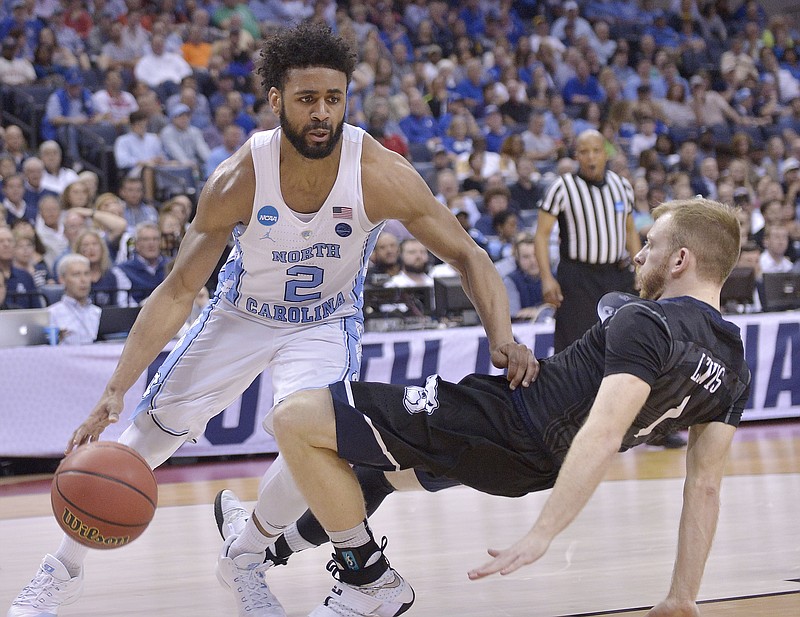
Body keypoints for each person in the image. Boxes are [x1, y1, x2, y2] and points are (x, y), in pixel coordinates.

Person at [7, 23, 535, 617]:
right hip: (241, 314)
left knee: (308, 439)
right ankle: (62, 571)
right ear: (277, 100)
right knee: (147, 437)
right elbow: (179, 289)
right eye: (307, 99)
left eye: (333, 99)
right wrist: (113, 390)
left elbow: (468, 253)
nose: (322, 113)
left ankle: (245, 556)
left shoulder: (378, 172)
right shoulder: (238, 178)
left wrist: (503, 337)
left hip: (324, 322)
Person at [261, 197, 751, 617]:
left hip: (500, 421)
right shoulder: (734, 364)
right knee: (380, 476)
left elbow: (602, 433)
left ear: (681, 258)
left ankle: (369, 583)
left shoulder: (645, 319)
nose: (639, 256)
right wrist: (683, 596)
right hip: (530, 469)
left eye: (651, 246)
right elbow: (705, 487)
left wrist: (542, 535)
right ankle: (266, 549)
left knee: (296, 417)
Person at [534, 129, 640, 353]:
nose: (591, 157)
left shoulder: (622, 186)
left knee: (623, 340)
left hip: (616, 274)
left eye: (596, 151)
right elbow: (542, 235)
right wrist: (546, 278)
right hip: (577, 276)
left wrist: (640, 270)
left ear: (605, 154)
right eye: (584, 152)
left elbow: (630, 231)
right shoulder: (562, 188)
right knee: (575, 345)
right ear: (576, 156)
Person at [47, 253, 101, 345]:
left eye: (86, 274)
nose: (83, 280)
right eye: (76, 275)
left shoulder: (98, 313)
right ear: (62, 279)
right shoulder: (51, 314)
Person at [117, 221, 167, 304]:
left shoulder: (171, 266)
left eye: (155, 239)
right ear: (137, 244)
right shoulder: (124, 270)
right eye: (145, 239)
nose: (151, 244)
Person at [502, 232, 546, 320]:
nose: (533, 261)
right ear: (517, 259)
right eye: (526, 257)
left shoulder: (554, 277)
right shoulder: (511, 281)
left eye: (536, 255)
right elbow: (513, 314)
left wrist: (535, 312)